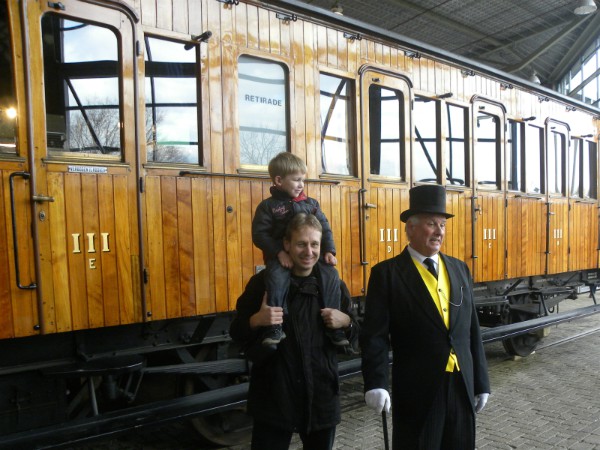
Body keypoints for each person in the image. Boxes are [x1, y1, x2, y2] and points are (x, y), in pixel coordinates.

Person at [360, 184, 490, 450]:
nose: (439, 231)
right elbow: (374, 336)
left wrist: (481, 381)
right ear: (410, 227)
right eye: (432, 224)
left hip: (460, 384)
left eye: (442, 224)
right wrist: (376, 382)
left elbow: (471, 329)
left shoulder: (459, 268)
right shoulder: (387, 274)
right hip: (417, 389)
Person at [230, 213, 358, 450]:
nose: (308, 251)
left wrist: (346, 322)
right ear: (287, 244)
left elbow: (356, 337)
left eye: (314, 244)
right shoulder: (262, 283)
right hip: (275, 397)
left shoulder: (333, 286)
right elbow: (236, 332)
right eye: (301, 244)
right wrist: (256, 320)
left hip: (320, 396)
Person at [252, 151, 347, 347]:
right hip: (279, 257)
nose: (301, 184)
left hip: (308, 258)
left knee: (330, 275)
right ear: (279, 180)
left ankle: (334, 324)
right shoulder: (268, 207)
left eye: (302, 180)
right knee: (276, 278)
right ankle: (275, 326)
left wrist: (329, 251)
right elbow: (260, 235)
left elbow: (325, 228)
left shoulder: (311, 204)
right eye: (296, 180)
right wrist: (279, 252)